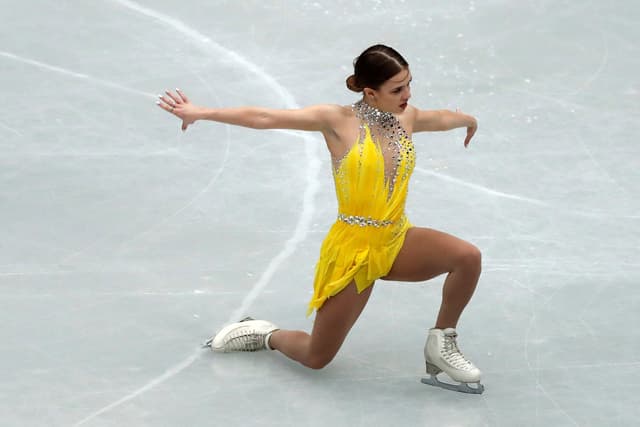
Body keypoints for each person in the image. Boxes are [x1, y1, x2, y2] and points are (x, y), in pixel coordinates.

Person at [156, 44, 484, 394]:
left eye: (408, 84)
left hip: (395, 238)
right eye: (397, 89)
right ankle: (265, 333)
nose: (407, 94)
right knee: (316, 356)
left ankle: (441, 344)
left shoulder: (408, 117)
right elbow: (265, 118)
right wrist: (202, 112)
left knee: (467, 257)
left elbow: (442, 118)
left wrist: (468, 120)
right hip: (354, 250)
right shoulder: (336, 120)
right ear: (370, 92)